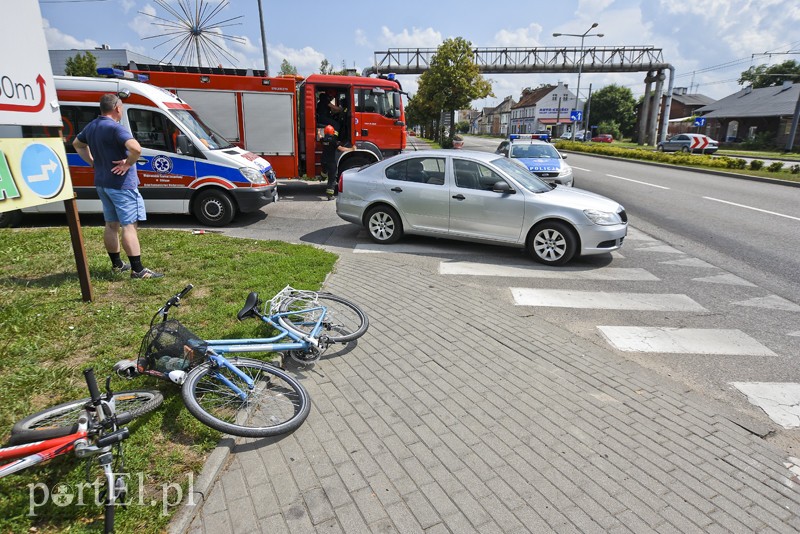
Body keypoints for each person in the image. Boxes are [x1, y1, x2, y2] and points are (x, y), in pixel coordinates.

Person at [73, 94, 164, 279]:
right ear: (117, 108)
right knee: (129, 226)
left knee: (111, 224)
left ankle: (117, 265)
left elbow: (77, 144)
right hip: (122, 185)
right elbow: (136, 149)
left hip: (102, 183)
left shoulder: (92, 126)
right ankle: (138, 270)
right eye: (121, 107)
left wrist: (93, 162)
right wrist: (128, 164)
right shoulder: (115, 128)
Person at [320, 124, 354, 200]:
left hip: (323, 161)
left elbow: (320, 138)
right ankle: (329, 195)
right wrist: (351, 149)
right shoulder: (333, 141)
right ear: (332, 132)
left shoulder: (323, 140)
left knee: (324, 171)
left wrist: (318, 132)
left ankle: (323, 176)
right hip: (331, 162)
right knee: (332, 178)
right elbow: (341, 149)